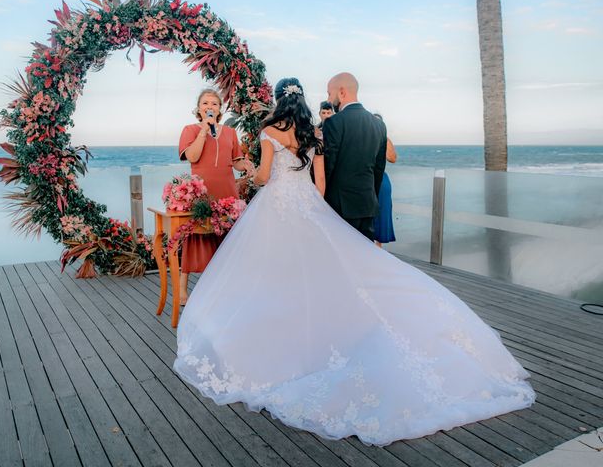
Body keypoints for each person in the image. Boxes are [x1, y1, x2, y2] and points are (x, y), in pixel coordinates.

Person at [173, 77, 534, 447]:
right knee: (318, 272)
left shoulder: (269, 130)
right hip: (308, 209)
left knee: (271, 274)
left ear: (278, 102)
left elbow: (264, 177)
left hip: (276, 210)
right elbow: (321, 185)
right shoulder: (313, 133)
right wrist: (309, 205)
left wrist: (251, 172)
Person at [178, 88, 255, 305]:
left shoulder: (230, 132)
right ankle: (183, 290)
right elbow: (192, 156)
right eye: (205, 103)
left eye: (214, 103)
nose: (209, 107)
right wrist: (204, 130)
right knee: (194, 236)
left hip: (227, 190)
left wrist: (246, 165)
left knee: (228, 237)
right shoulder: (190, 129)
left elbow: (236, 161)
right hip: (201, 191)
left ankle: (227, 286)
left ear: (220, 109)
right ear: (198, 108)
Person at [323, 73, 387, 241]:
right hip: (368, 204)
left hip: (339, 207)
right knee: (364, 258)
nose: (328, 100)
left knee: (342, 260)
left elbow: (328, 166)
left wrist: (322, 199)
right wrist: (371, 197)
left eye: (329, 93)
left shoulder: (334, 122)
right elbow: (379, 169)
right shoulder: (379, 125)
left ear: (342, 92)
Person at [372, 113, 397, 247]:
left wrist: (382, 141)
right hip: (365, 179)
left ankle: (378, 252)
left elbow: (393, 158)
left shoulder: (385, 140)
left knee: (381, 216)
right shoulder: (363, 138)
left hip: (381, 180)